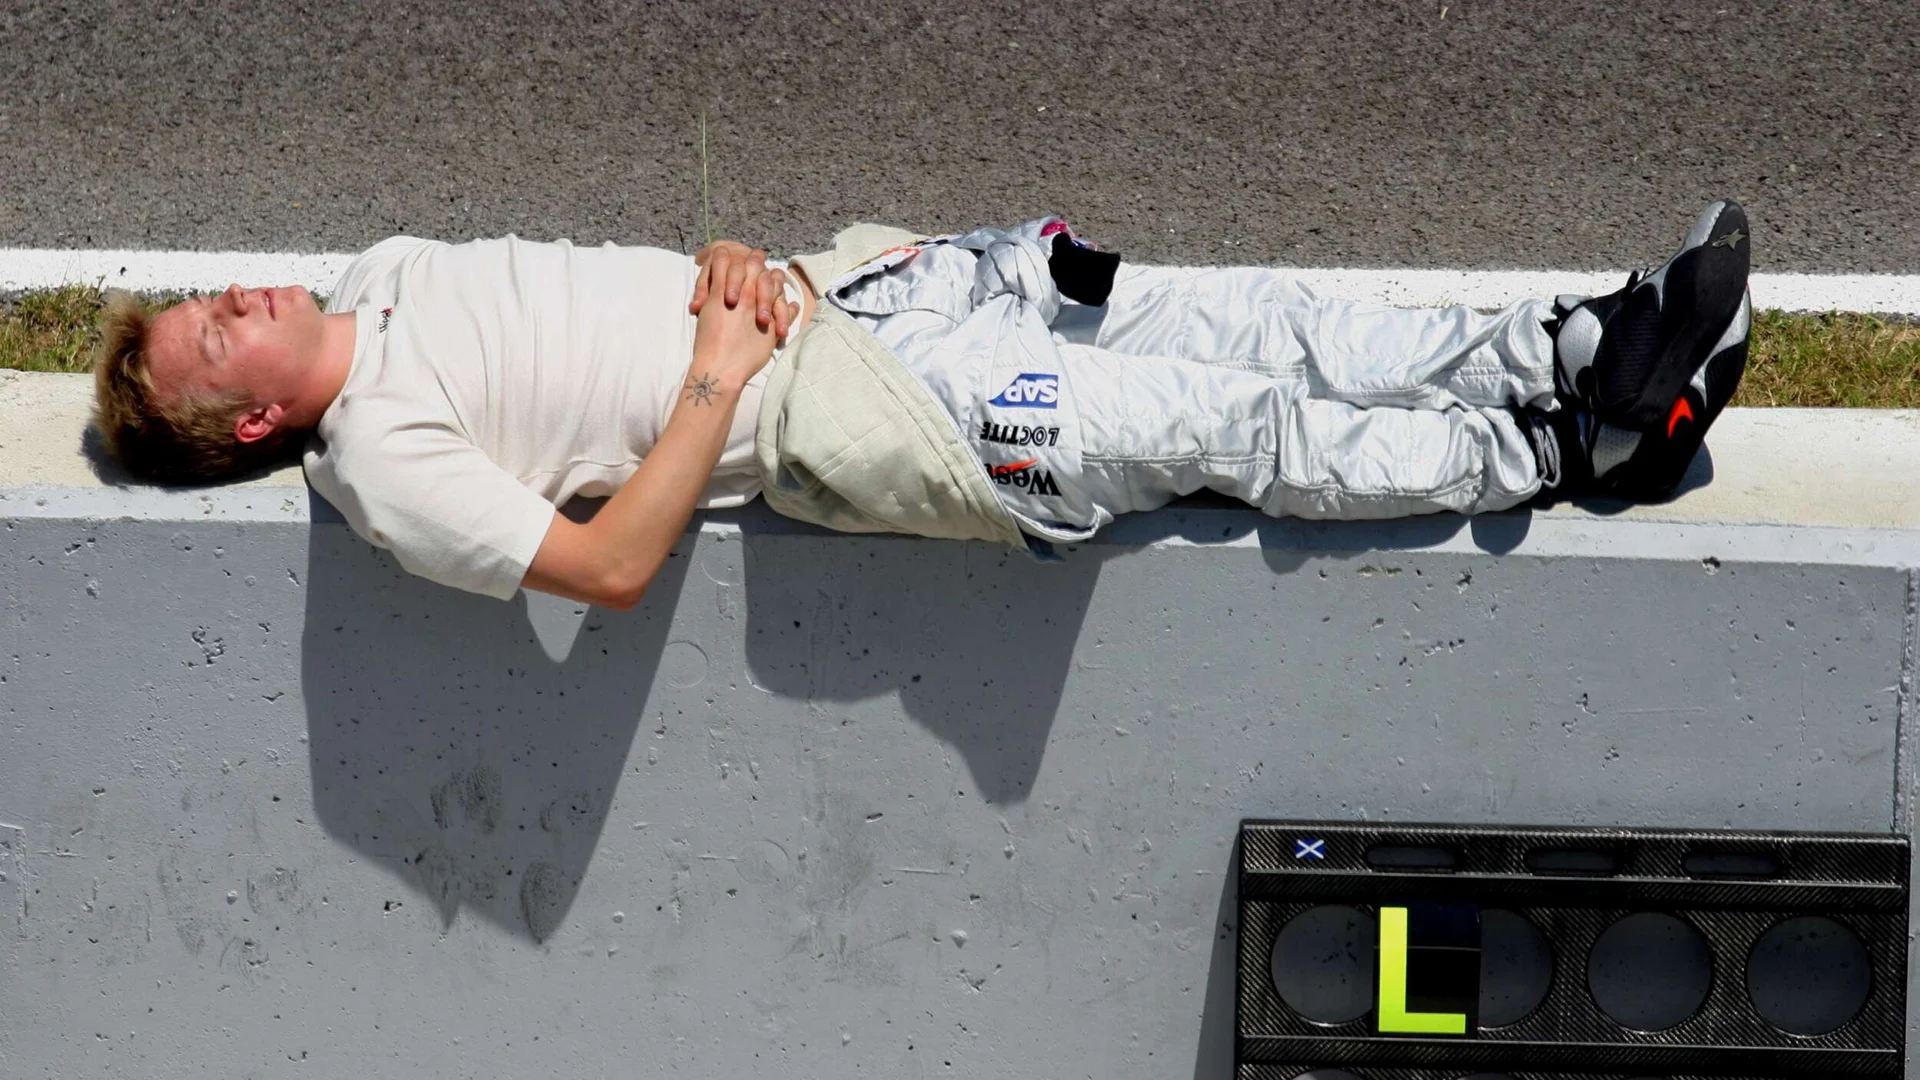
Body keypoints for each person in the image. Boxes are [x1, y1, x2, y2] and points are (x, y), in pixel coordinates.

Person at [90, 201, 1753, 609]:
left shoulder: (377, 270)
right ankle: (1577, 442)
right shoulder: (382, 463)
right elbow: (605, 571)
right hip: (881, 411)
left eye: (209, 294)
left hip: (862, 292)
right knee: (1224, 421)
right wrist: (716, 380)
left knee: (1225, 309)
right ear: (247, 426)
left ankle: (1582, 337)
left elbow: (593, 290)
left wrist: (720, 263)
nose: (233, 297)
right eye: (211, 336)